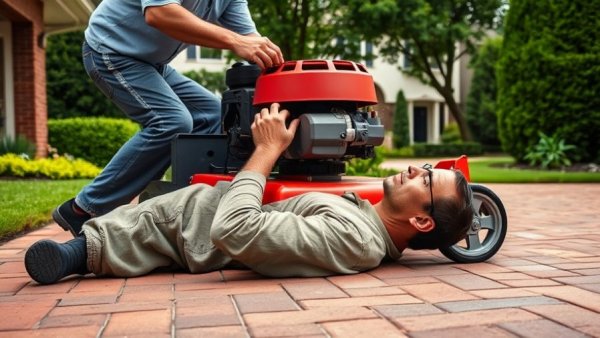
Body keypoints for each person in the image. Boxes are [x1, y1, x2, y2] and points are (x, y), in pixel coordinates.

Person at [25, 103, 474, 285]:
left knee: (140, 225)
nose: (415, 169)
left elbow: (233, 227)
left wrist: (266, 150)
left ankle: (74, 254)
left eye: (426, 179)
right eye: (426, 167)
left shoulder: (355, 239)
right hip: (194, 212)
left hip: (191, 224)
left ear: (421, 221)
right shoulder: (366, 222)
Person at [52, 0, 284, 237]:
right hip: (111, 51)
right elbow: (159, 13)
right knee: (172, 122)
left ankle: (187, 209)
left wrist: (284, 77)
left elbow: (252, 41)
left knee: (214, 114)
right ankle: (82, 209)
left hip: (152, 63)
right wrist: (236, 41)